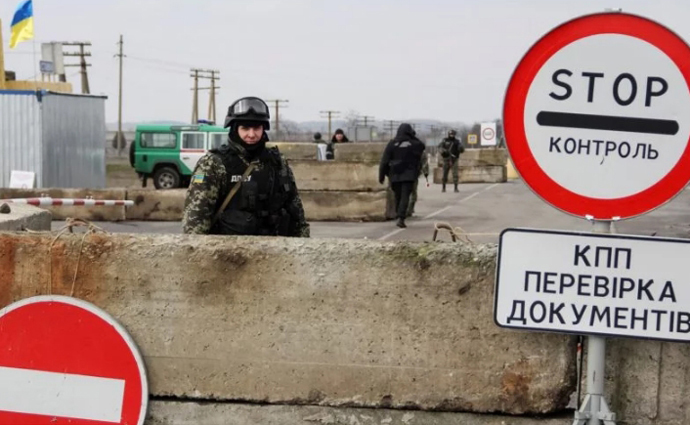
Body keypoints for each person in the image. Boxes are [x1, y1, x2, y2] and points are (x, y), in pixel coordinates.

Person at [183, 96, 310, 237]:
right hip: (227, 249)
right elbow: (196, 220)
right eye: (245, 128)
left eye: (257, 128)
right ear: (235, 129)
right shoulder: (214, 164)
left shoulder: (277, 162)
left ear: (263, 129)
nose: (251, 134)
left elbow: (297, 214)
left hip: (276, 247)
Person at [379, 123, 425, 228]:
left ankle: (398, 214)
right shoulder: (414, 144)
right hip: (409, 174)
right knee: (405, 196)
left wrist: (381, 175)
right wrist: (412, 136)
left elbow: (384, 161)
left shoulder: (392, 143)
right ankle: (401, 217)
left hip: (395, 174)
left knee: (397, 196)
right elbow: (422, 146)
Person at [407, 149, 429, 218]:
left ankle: (406, 210)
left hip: (401, 174)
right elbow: (424, 163)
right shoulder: (419, 149)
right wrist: (425, 173)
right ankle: (409, 210)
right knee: (413, 193)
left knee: (405, 193)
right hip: (413, 174)